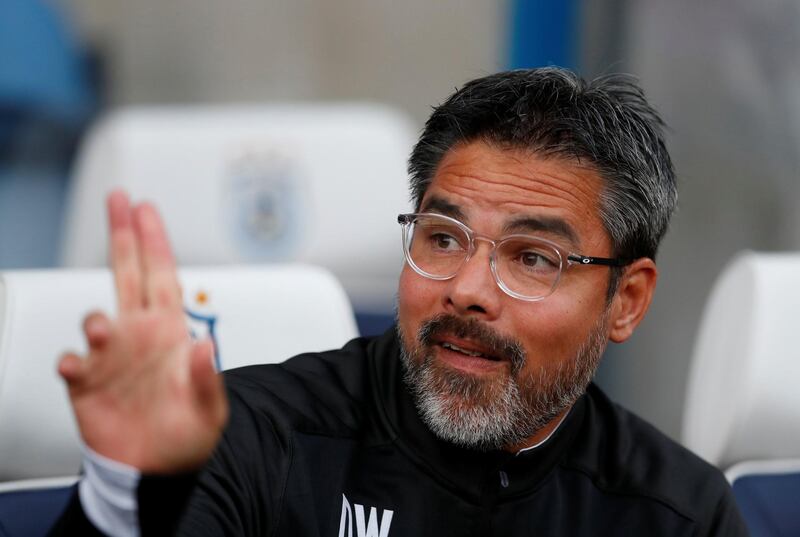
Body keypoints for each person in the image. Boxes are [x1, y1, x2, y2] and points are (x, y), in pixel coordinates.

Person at [51, 67, 748, 536]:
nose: (468, 291)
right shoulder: (257, 439)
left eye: (533, 257)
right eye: (443, 238)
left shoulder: (678, 513)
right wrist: (122, 491)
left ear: (625, 300)